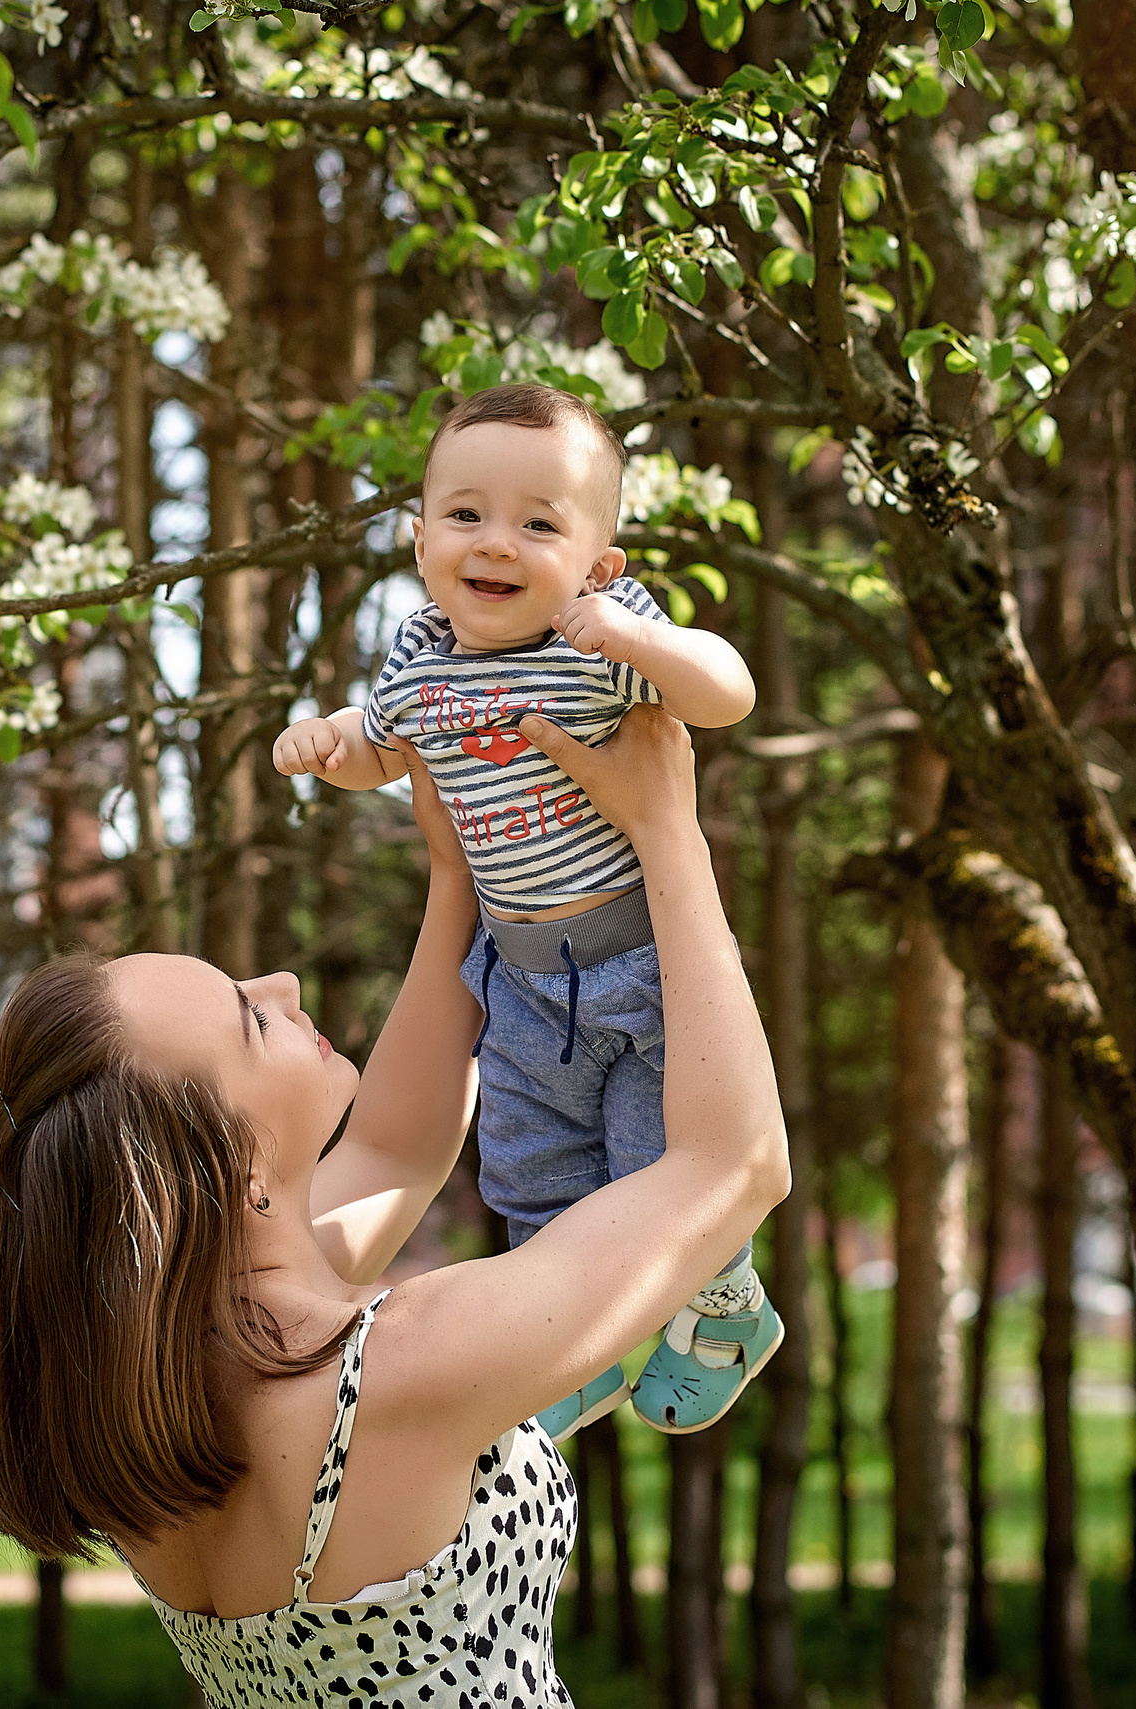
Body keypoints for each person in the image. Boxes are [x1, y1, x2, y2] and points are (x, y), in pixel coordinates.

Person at [0, 708, 785, 1706]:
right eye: (250, 1016)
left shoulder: (159, 1381)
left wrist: (461, 869)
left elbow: (395, 1142)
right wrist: (666, 825)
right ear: (235, 1165)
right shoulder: (400, 1368)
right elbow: (734, 1164)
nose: (280, 981)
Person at [271, 382, 767, 1437]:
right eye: (464, 514)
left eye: (538, 523)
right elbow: (382, 747)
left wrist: (640, 647)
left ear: (596, 567)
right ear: (417, 541)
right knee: (529, 1168)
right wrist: (330, 743)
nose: (494, 541)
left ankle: (723, 1309)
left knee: (654, 1163)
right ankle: (562, 1352)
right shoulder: (417, 654)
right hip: (520, 975)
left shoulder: (603, 634)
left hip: (640, 966)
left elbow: (727, 691)